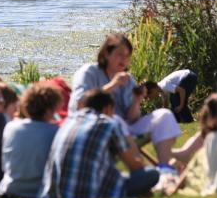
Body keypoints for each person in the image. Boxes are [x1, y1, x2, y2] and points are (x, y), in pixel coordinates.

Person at [68, 33, 180, 165]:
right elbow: (80, 103)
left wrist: (136, 101)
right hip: (91, 128)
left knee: (164, 115)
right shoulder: (88, 72)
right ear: (106, 54)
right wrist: (112, 85)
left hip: (124, 129)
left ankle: (165, 167)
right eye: (120, 54)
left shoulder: (127, 79)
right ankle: (141, 172)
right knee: (115, 120)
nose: (124, 59)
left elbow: (132, 119)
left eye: (127, 56)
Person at [40, 89, 159, 198]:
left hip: (55, 196)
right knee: (152, 174)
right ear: (108, 108)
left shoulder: (68, 122)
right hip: (90, 194)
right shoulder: (108, 123)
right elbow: (134, 166)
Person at [0, 84, 62, 198]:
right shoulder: (56, 132)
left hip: (9, 191)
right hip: (38, 195)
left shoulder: (11, 127)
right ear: (50, 110)